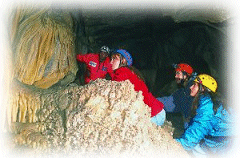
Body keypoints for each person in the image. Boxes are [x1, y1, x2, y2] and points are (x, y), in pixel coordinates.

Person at [176, 74, 234, 157]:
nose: (191, 87)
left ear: (203, 88)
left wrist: (178, 143)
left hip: (227, 143)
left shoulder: (207, 107)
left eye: (195, 85)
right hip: (223, 139)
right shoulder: (206, 101)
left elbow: (199, 129)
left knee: (196, 147)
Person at [110, 49, 166, 126]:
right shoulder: (130, 72)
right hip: (157, 112)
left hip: (153, 115)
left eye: (114, 58)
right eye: (111, 59)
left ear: (123, 61)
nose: (111, 62)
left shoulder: (122, 72)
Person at [157, 63, 197, 129]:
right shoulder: (183, 91)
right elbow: (170, 102)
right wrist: (153, 101)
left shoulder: (192, 91)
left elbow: (172, 104)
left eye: (178, 73)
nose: (175, 76)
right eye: (176, 73)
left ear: (185, 75)